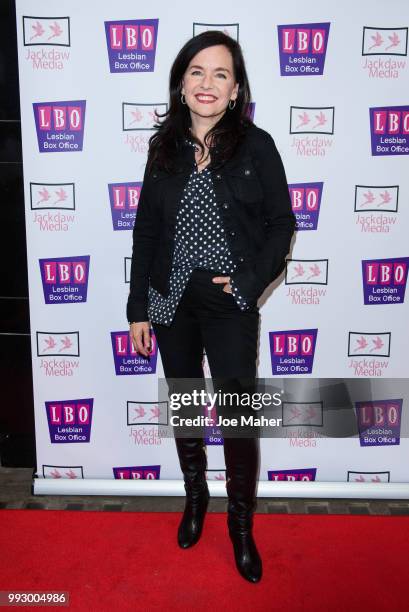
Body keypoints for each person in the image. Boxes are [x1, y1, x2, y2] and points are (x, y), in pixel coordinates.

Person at [127, 30, 296, 584]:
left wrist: (248, 282)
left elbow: (281, 225)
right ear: (181, 84)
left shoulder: (257, 145)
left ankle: (241, 527)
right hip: (169, 298)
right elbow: (147, 229)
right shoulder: (163, 148)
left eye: (220, 74)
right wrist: (137, 307)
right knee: (184, 407)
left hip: (229, 303)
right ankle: (195, 497)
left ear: (236, 89)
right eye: (197, 72)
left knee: (239, 419)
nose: (207, 83)